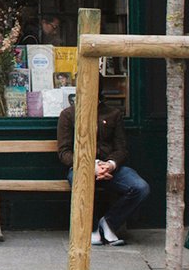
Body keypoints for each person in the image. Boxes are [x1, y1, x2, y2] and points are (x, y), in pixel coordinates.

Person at [56, 101, 150, 246]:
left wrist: (110, 165)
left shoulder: (113, 113)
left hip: (110, 169)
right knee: (79, 180)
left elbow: (121, 149)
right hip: (81, 168)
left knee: (140, 187)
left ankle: (109, 223)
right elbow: (64, 152)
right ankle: (92, 229)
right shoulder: (68, 114)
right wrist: (91, 167)